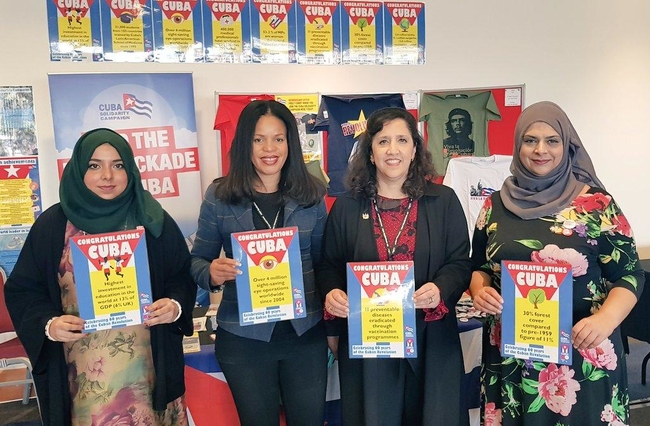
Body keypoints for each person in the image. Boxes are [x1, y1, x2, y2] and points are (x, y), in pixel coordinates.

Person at [4, 128, 196, 426]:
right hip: (81, 381)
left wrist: (174, 305)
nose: (107, 175)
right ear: (79, 170)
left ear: (130, 170)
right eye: (95, 165)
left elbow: (181, 275)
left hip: (148, 374)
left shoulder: (152, 219)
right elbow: (24, 290)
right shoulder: (52, 226)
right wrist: (49, 324)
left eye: (118, 165)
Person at [470, 101, 645, 425]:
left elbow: (630, 274)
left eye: (552, 140)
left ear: (567, 146)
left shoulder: (596, 205)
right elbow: (479, 266)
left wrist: (606, 319)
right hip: (510, 358)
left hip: (582, 357)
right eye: (530, 140)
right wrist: (479, 290)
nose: (540, 150)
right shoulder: (495, 205)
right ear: (518, 143)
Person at [318, 107, 472, 425]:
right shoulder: (346, 207)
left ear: (414, 149)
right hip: (369, 344)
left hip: (431, 340)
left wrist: (440, 288)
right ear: (370, 152)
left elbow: (460, 262)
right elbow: (328, 265)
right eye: (383, 141)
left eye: (402, 140)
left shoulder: (443, 201)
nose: (392, 149)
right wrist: (332, 292)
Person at [190, 100, 329, 426]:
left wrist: (334, 326)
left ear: (290, 144)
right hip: (244, 341)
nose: (270, 148)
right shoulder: (220, 196)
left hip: (305, 336)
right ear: (245, 145)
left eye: (278, 139)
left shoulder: (312, 195)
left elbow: (325, 265)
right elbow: (197, 260)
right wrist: (211, 272)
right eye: (258, 139)